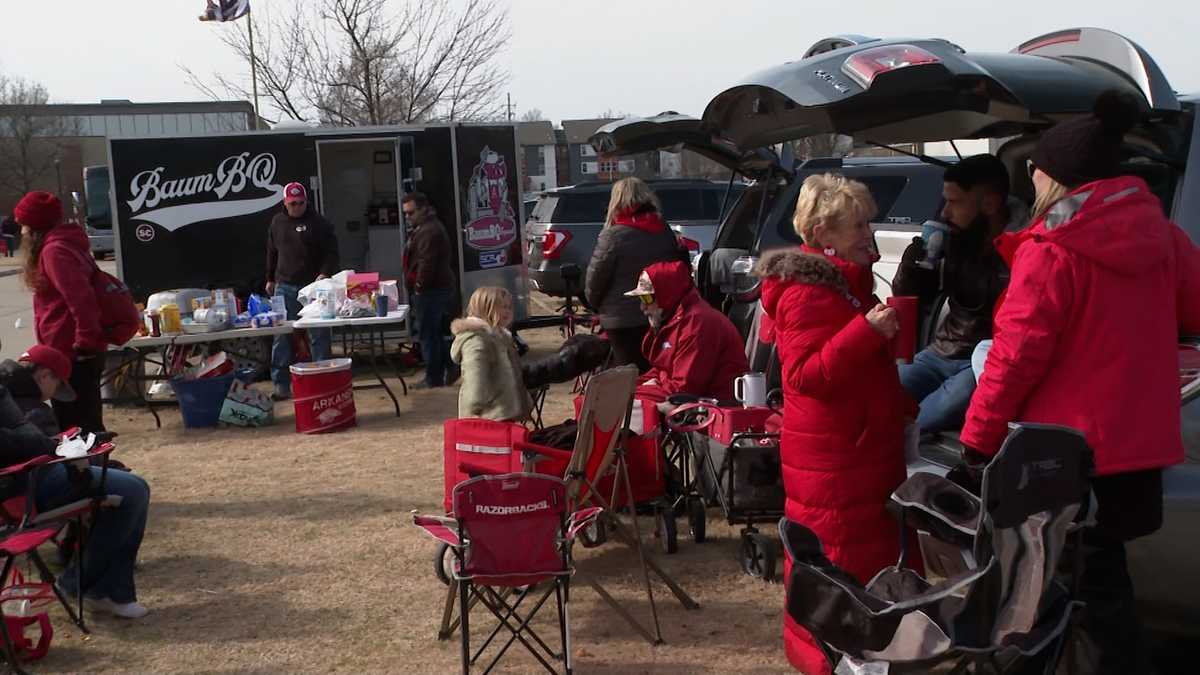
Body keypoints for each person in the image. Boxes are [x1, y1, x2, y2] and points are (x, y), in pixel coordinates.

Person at [959, 90, 1200, 674]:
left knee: (1063, 591)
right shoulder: (1164, 239)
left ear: (1059, 178)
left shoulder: (1053, 250)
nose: (1031, 178)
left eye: (1036, 169)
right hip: (1138, 448)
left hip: (1065, 454)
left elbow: (1014, 359)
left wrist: (976, 442)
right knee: (1105, 584)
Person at [753, 174, 918, 675]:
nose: (869, 232)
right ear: (825, 233)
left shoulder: (844, 285)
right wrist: (866, 333)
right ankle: (835, 661)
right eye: (859, 224)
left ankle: (863, 658)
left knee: (861, 569)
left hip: (856, 454)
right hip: (836, 461)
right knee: (840, 568)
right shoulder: (808, 292)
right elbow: (805, 375)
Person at [0, 352, 151, 619]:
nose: (52, 395)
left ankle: (102, 589)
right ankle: (90, 587)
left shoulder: (10, 389)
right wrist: (56, 448)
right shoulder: (27, 402)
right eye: (56, 386)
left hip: (30, 475)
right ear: (44, 374)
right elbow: (24, 442)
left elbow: (26, 437)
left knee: (127, 487)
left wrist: (57, 446)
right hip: (24, 485)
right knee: (133, 490)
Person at [892, 155, 1027, 433]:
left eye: (955, 203)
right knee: (886, 390)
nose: (944, 213)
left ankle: (897, 442)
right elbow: (919, 302)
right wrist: (911, 270)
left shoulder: (1025, 245)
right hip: (940, 352)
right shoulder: (956, 239)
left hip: (983, 360)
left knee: (939, 410)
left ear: (989, 204)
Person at [16, 191, 108, 434]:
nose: (22, 231)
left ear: (35, 226)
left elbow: (81, 299)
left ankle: (92, 470)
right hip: (73, 351)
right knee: (83, 422)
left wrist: (85, 344)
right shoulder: (63, 246)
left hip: (73, 353)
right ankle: (94, 467)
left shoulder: (54, 251)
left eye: (24, 225)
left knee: (77, 427)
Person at [585, 177, 688, 371]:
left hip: (621, 320)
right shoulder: (664, 231)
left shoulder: (613, 236)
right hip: (659, 315)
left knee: (627, 379)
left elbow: (595, 280)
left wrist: (596, 304)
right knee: (655, 373)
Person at [624, 259, 747, 401]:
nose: (642, 307)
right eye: (641, 298)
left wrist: (643, 390)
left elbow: (683, 390)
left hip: (716, 410)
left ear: (666, 294)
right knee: (621, 398)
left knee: (628, 405)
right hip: (693, 404)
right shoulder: (676, 319)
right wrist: (629, 387)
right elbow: (663, 370)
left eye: (646, 298)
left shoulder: (697, 324)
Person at [265, 182, 340, 401]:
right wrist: (269, 278)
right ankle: (281, 385)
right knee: (282, 336)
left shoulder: (319, 223)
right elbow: (271, 251)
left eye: (301, 203)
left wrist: (325, 273)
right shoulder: (277, 222)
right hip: (284, 285)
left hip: (313, 289)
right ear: (285, 203)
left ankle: (322, 381)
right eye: (293, 203)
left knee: (318, 335)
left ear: (307, 201)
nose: (297, 207)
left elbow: (332, 253)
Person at [449, 287, 533, 422]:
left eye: (509, 307)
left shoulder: (500, 335)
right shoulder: (477, 340)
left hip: (504, 410)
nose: (507, 311)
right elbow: (475, 372)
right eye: (502, 307)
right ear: (485, 308)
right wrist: (476, 403)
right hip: (488, 415)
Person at [404, 192, 457, 389]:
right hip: (433, 290)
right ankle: (448, 369)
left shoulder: (430, 231)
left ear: (424, 209)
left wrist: (419, 287)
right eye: (406, 214)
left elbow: (427, 263)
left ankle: (433, 377)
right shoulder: (424, 228)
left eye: (411, 213)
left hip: (432, 291)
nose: (408, 217)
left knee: (429, 335)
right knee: (436, 333)